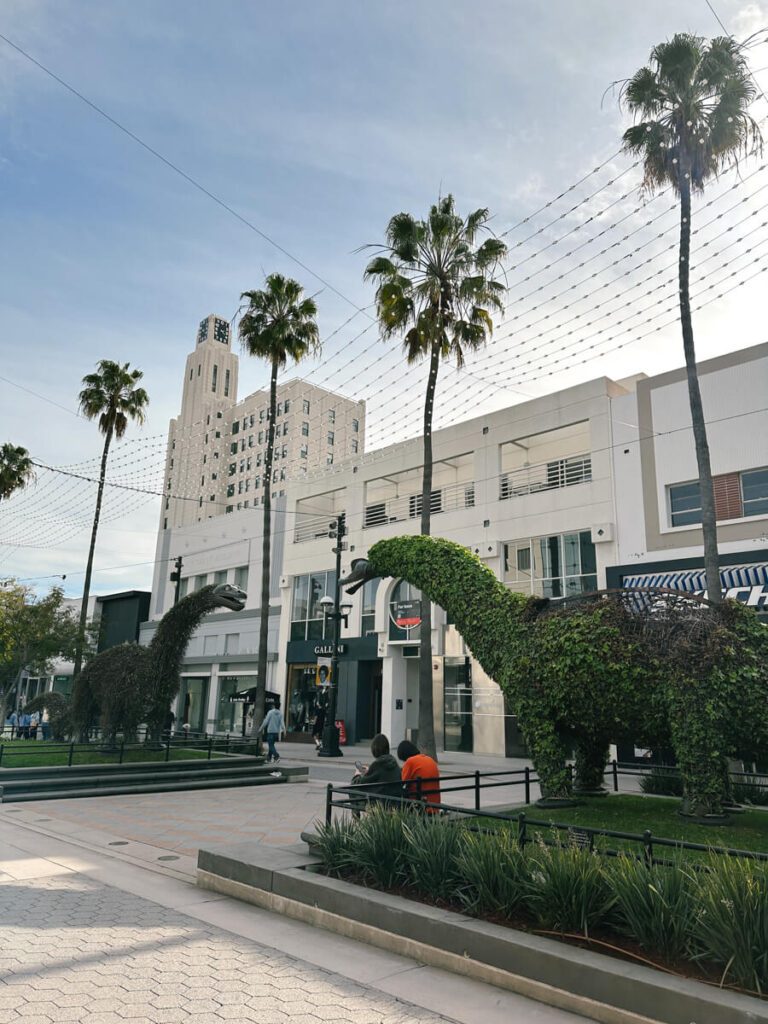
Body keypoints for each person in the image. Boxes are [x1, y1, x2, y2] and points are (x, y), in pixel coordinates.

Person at [351, 734, 403, 812]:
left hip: (381, 804)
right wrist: (370, 770)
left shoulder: (378, 764)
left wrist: (357, 774)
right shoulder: (393, 762)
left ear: (374, 749)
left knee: (353, 786)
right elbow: (380, 775)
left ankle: (356, 816)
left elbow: (361, 782)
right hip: (395, 802)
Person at [397, 739, 441, 810]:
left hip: (420, 805)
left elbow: (400, 782)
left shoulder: (410, 761)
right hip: (435, 805)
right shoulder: (430, 759)